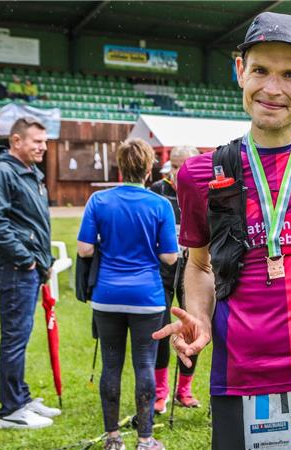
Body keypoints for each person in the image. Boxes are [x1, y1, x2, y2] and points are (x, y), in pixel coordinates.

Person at [152, 11, 291, 450]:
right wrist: (200, 319)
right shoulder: (200, 174)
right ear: (240, 72)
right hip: (241, 381)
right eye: (260, 71)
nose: (272, 88)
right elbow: (199, 266)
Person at [77, 138, 178, 450]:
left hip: (107, 294)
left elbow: (84, 249)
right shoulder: (160, 204)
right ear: (149, 169)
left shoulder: (99, 200)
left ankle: (113, 439)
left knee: (111, 365)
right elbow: (170, 258)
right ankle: (145, 440)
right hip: (147, 296)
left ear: (120, 167)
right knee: (145, 365)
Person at [0, 117, 60, 430]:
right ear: (16, 141)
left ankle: (22, 397)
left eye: (44, 141)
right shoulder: (2, 172)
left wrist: (41, 260)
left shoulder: (29, 172)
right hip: (15, 271)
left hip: (29, 269)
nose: (42, 147)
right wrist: (26, 259)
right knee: (14, 340)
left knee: (20, 338)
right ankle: (11, 410)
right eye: (36, 141)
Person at [149, 145, 201, 413]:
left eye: (185, 166)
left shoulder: (203, 188)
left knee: (192, 328)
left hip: (194, 268)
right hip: (163, 268)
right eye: (175, 166)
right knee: (160, 327)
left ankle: (185, 390)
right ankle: (161, 392)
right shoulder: (157, 190)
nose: (179, 172)